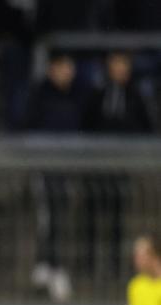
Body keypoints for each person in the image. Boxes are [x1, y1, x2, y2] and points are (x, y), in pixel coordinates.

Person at [82, 52, 154, 279]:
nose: (121, 68)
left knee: (116, 216)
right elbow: (86, 124)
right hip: (97, 163)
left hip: (121, 165)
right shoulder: (97, 93)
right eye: (116, 62)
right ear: (109, 65)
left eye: (125, 63)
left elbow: (146, 126)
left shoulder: (135, 95)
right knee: (93, 214)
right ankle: (90, 262)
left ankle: (113, 264)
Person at [26, 52, 88, 302]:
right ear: (51, 69)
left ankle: (49, 266)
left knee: (59, 219)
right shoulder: (40, 94)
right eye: (61, 67)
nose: (66, 72)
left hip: (67, 167)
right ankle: (49, 266)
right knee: (48, 219)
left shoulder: (78, 95)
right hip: (45, 167)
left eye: (69, 67)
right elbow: (27, 126)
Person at [0, 0, 36, 131]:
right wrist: (0, 31)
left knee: (24, 87)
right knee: (13, 88)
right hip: (10, 40)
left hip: (31, 41)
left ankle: (21, 125)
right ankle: (14, 127)